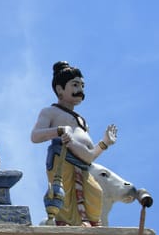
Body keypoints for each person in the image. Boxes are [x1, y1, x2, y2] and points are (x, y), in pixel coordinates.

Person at [31, 61, 117, 226]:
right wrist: (59, 131)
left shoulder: (82, 122)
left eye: (82, 86)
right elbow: (35, 136)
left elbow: (89, 156)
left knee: (95, 194)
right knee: (65, 202)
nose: (80, 90)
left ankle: (88, 230)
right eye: (75, 85)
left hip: (83, 167)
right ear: (59, 89)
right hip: (62, 161)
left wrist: (104, 143)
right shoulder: (50, 112)